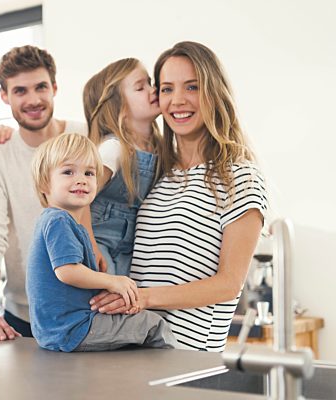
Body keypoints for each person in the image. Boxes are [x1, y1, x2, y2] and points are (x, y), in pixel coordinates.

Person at [92, 41, 268, 352]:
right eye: (167, 89)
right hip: (133, 347)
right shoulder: (159, 173)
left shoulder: (239, 177)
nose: (178, 100)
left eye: (192, 87)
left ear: (214, 92)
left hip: (185, 359)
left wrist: (143, 297)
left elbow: (229, 284)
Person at [0, 45, 88, 340]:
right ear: (4, 96)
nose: (33, 100)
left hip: (94, 309)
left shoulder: (86, 135)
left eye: (40, 87)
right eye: (20, 91)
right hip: (24, 316)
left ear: (55, 88)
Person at [27, 133, 176, 352]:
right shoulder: (59, 219)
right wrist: (112, 281)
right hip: (72, 328)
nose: (81, 179)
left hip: (62, 328)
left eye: (89, 173)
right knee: (152, 324)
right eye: (68, 172)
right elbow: (67, 271)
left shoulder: (62, 220)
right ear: (44, 184)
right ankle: (169, 381)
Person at [83, 58, 162, 276]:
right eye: (140, 87)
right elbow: (80, 197)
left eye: (150, 82)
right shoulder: (113, 149)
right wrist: (91, 245)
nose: (153, 90)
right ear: (121, 108)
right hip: (99, 240)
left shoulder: (160, 148)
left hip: (129, 249)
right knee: (106, 303)